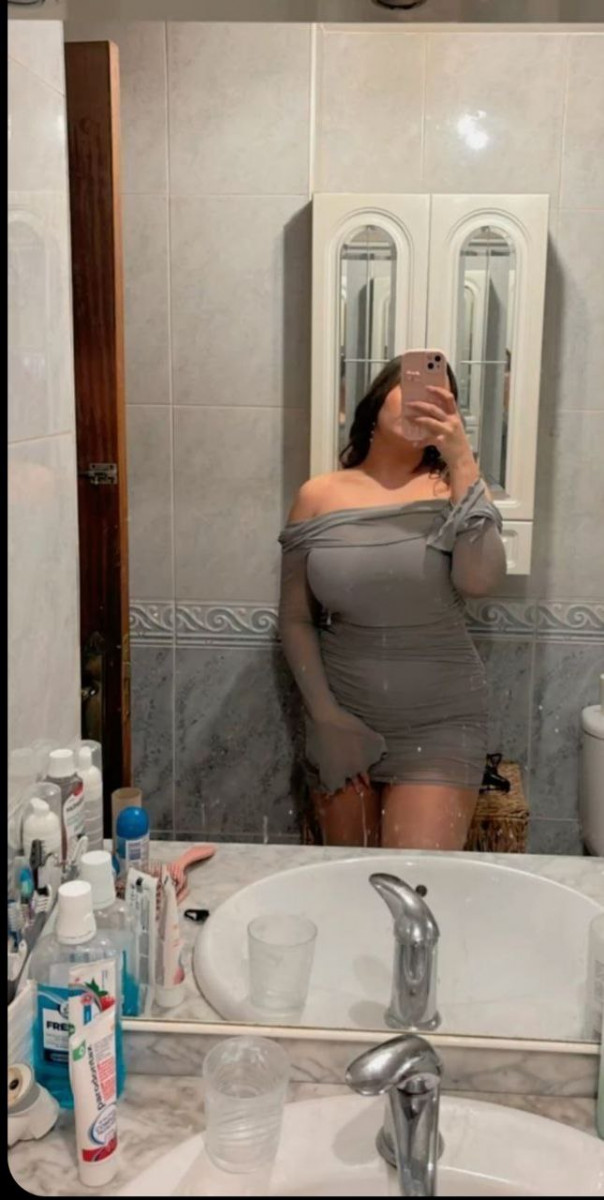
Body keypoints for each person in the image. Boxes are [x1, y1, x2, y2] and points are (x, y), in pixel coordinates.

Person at [278, 355, 507, 851]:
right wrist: (325, 716)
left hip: (441, 724)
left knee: (414, 881)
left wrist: (462, 458)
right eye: (412, 385)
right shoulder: (317, 496)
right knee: (347, 879)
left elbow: (480, 581)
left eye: (442, 396)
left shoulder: (458, 490)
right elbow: (295, 619)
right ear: (379, 397)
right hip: (342, 714)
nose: (425, 399)